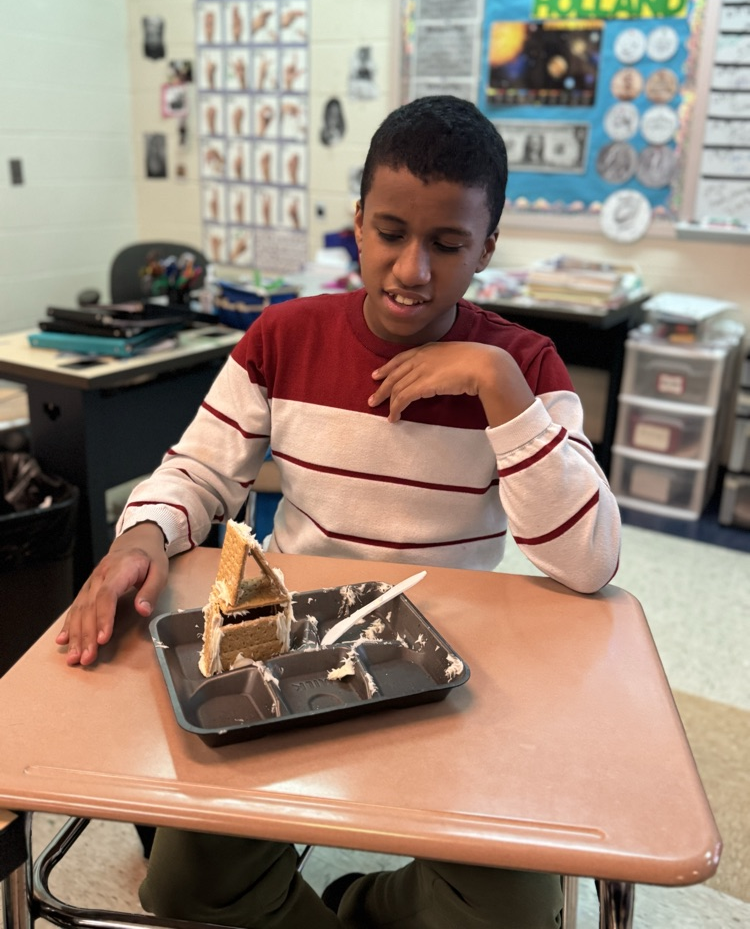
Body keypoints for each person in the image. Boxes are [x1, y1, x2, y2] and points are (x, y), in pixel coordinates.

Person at [57, 95, 621, 929]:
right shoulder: (281, 336)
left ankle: (361, 900)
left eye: (447, 244)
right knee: (183, 888)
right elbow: (199, 470)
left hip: (453, 665)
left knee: (507, 915)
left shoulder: (526, 366)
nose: (411, 271)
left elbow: (589, 563)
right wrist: (144, 533)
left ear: (487, 250)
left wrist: (500, 389)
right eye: (391, 233)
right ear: (358, 223)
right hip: (294, 645)